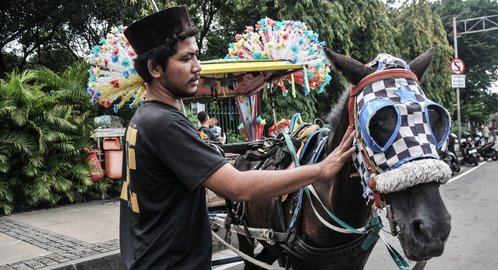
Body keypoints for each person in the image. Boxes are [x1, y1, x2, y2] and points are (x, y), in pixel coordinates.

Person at [119, 6, 355, 270]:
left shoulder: (143, 118)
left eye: (196, 56)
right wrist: (321, 169)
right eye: (186, 59)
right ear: (155, 68)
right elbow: (238, 187)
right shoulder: (166, 124)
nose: (198, 67)